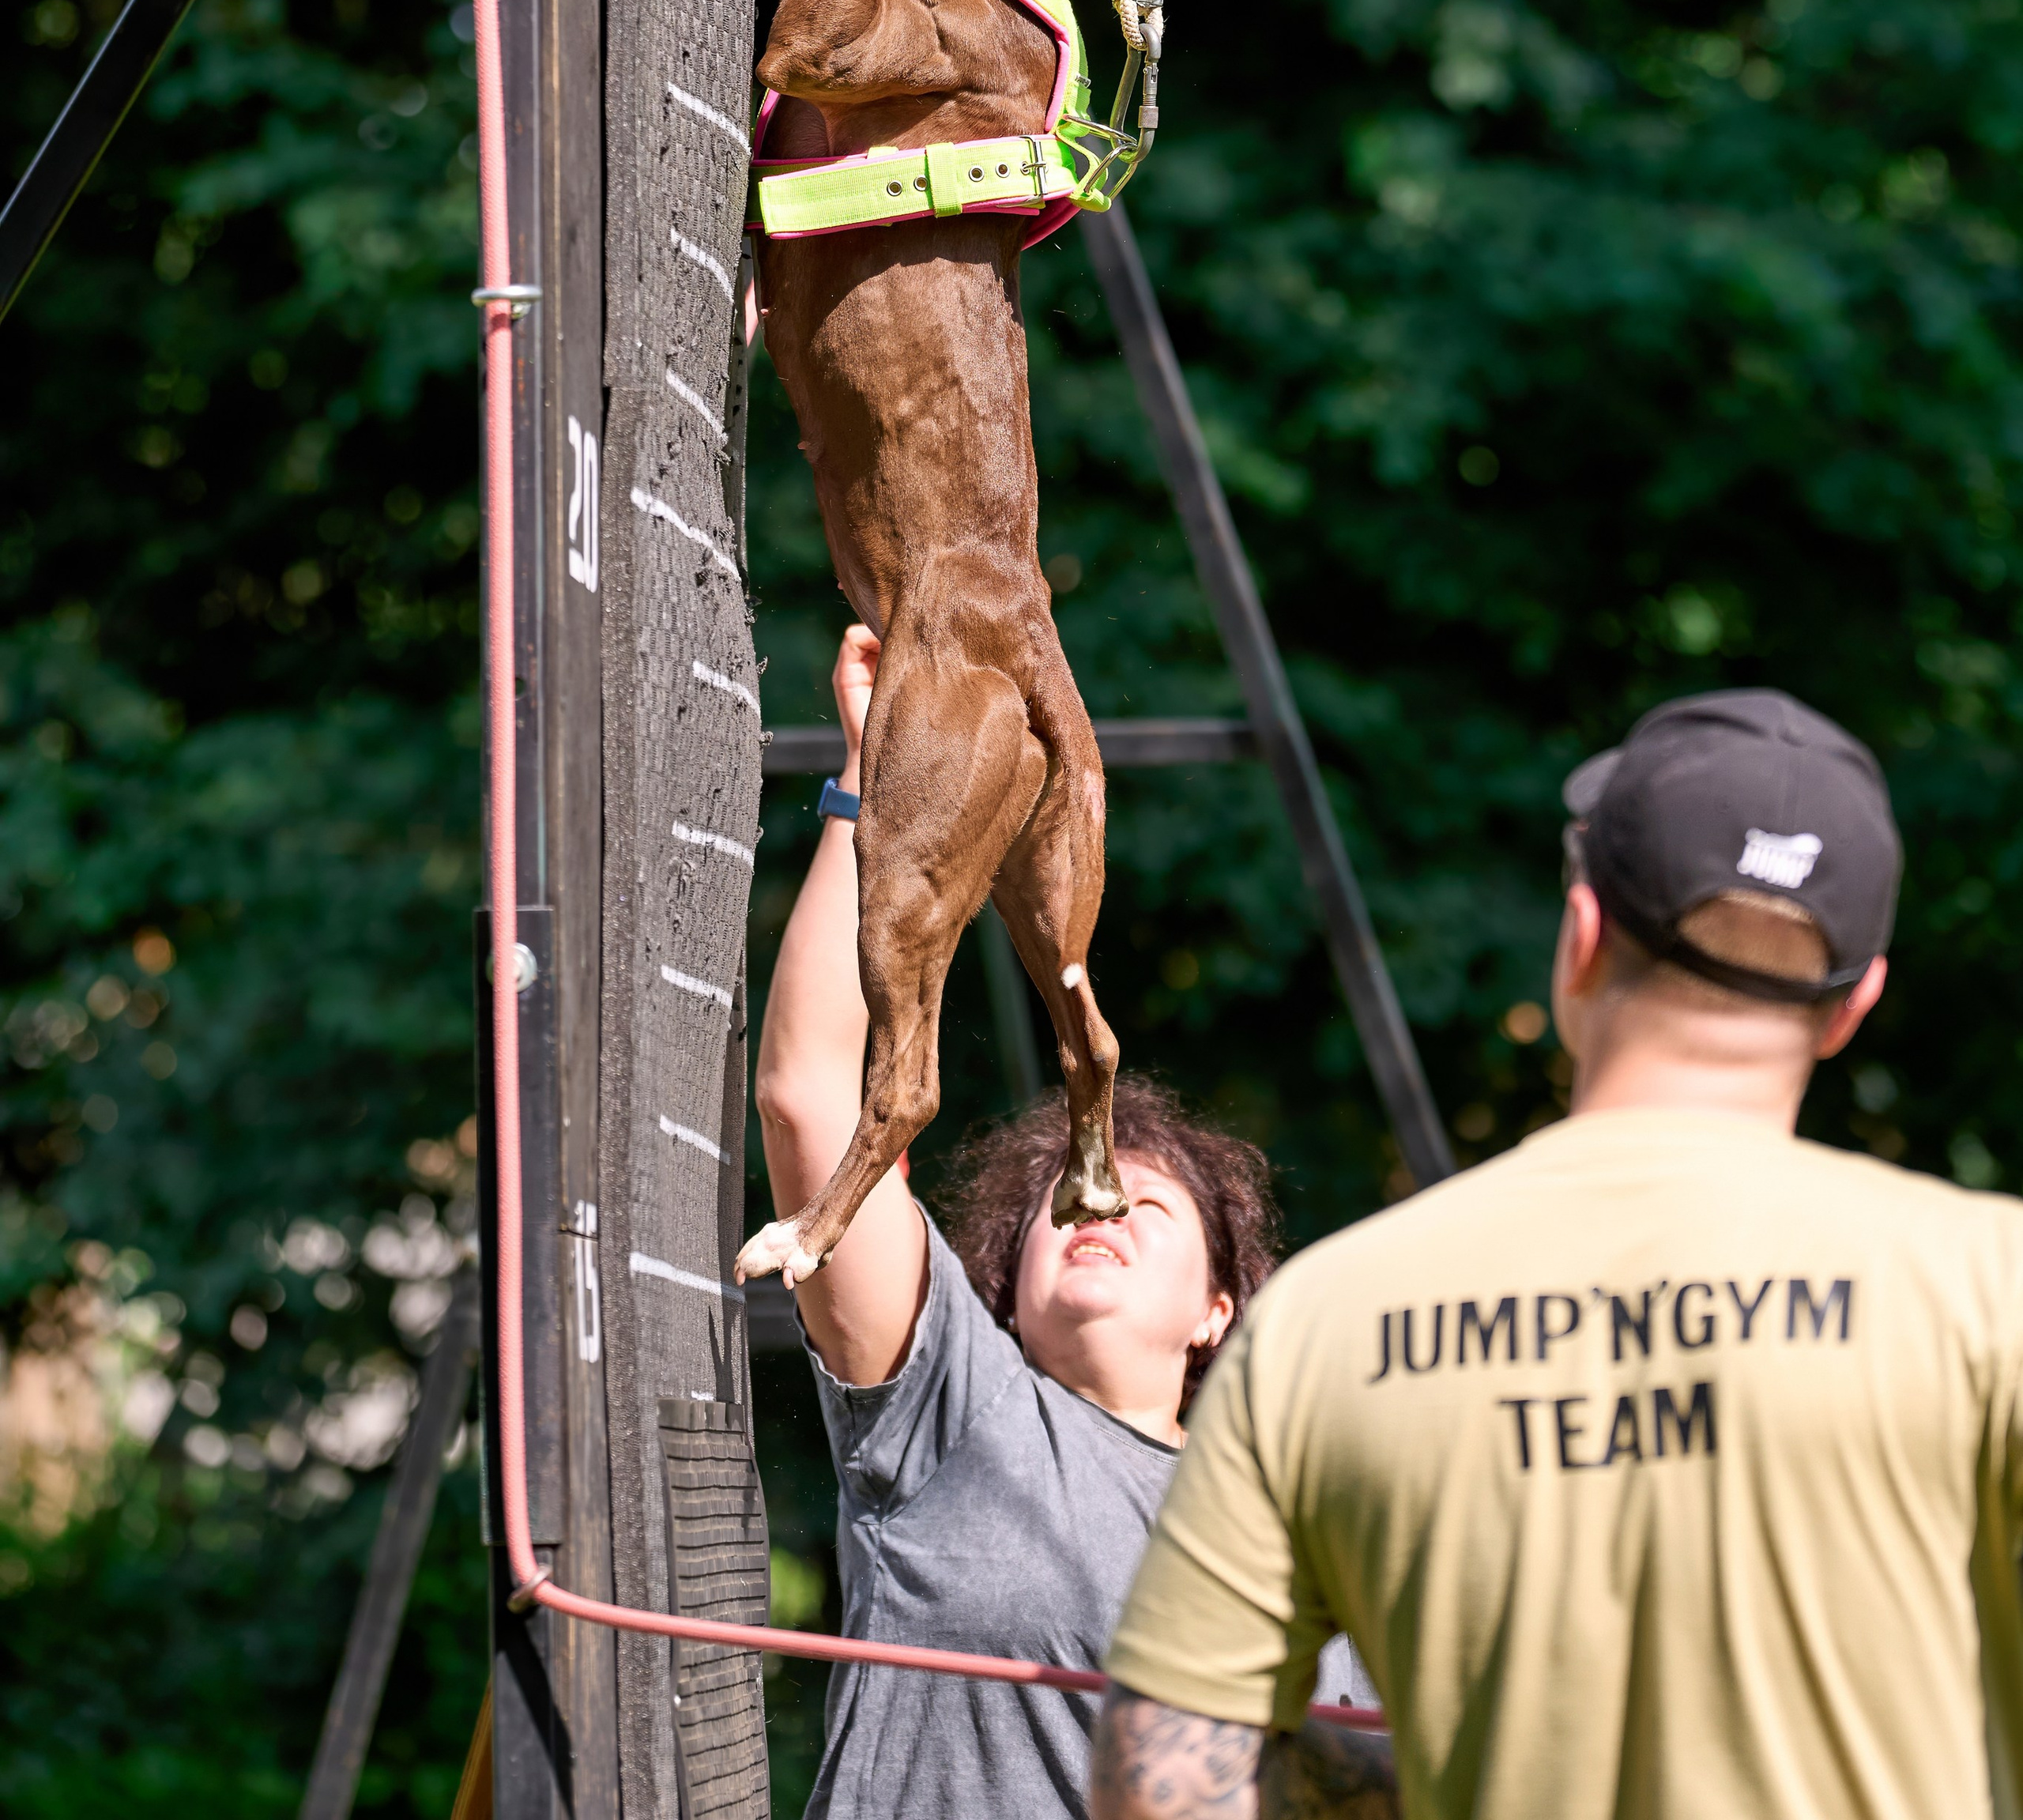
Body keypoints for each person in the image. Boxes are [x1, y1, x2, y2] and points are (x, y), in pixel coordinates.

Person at [1090, 685, 2023, 1820]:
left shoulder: (1331, 1318)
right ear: (1852, 1004)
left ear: (1581, 935)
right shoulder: (1989, 1286)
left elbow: (1163, 1783)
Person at [754, 623, 1373, 1820]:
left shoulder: (1311, 1546)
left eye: (1143, 1195)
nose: (1095, 1199)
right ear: (1006, 1290)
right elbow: (808, 1093)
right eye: (1062, 1201)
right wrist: (879, 777)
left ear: (1217, 1307)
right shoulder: (956, 1402)